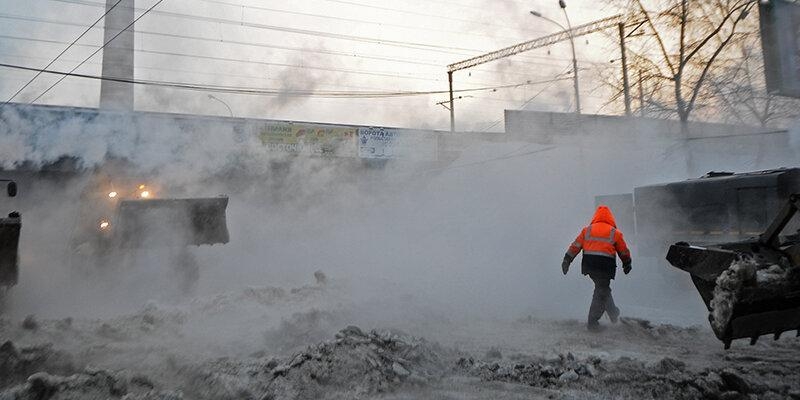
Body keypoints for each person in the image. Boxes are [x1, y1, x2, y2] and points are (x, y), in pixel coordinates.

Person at [561, 205, 632, 331]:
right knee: (601, 290)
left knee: (602, 288)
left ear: (595, 217)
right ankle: (592, 322)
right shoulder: (614, 232)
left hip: (590, 264)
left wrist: (567, 260)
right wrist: (627, 263)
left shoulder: (587, 230)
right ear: (610, 218)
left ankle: (613, 314)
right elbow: (624, 251)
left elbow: (575, 246)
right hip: (606, 265)